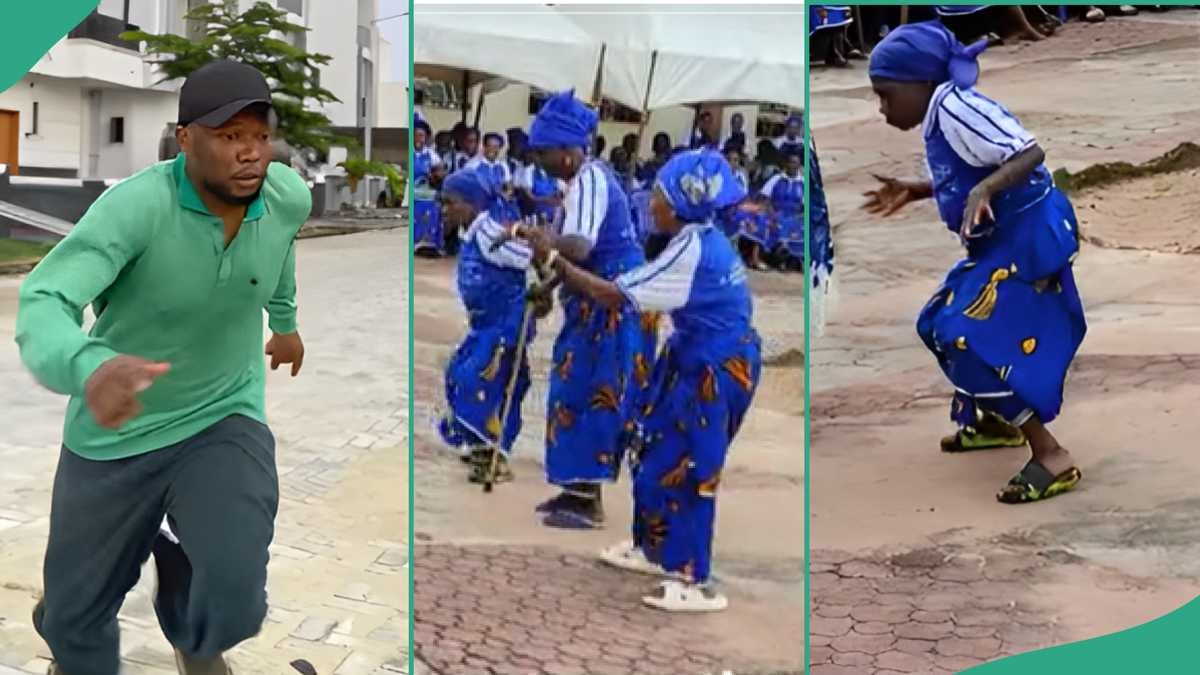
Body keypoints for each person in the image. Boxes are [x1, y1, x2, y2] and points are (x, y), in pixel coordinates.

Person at [14, 59, 310, 675]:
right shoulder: (135, 208)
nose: (251, 153)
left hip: (222, 415)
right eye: (230, 138)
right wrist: (87, 367)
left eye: (259, 135)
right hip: (117, 434)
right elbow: (45, 299)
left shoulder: (287, 196)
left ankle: (192, 625)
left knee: (231, 577)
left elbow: (277, 256)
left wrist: (284, 324)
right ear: (185, 139)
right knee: (76, 623)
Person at [515, 149, 761, 612]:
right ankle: (651, 548)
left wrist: (557, 262)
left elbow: (614, 294)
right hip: (690, 357)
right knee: (652, 451)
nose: (651, 205)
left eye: (660, 198)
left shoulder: (694, 249)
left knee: (691, 468)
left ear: (681, 206)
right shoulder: (694, 238)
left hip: (715, 368)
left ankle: (693, 579)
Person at [864, 22, 1085, 503]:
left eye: (885, 94)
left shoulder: (956, 107)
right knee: (935, 323)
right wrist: (919, 189)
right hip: (1004, 242)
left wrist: (985, 190)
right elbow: (972, 167)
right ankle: (993, 420)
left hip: (1028, 240)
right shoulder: (941, 111)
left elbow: (1028, 153)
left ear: (920, 83)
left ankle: (1051, 454)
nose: (881, 108)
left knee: (959, 334)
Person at [522, 90, 657, 528]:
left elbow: (579, 246)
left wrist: (545, 246)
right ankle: (576, 487)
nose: (539, 160)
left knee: (598, 393)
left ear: (566, 151)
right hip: (592, 302)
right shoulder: (577, 185)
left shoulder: (592, 180)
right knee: (572, 386)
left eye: (543, 152)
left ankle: (588, 498)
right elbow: (575, 254)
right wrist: (548, 282)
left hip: (612, 303)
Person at [437, 168, 550, 483]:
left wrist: (544, 288)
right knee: (462, 375)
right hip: (483, 326)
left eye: (451, 202)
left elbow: (533, 255)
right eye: (442, 203)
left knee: (480, 381)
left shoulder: (489, 233)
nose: (445, 209)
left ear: (472, 204)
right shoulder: (470, 234)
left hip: (504, 325)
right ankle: (480, 444)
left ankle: (493, 455)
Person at [807, 135, 836, 337]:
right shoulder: (808, 147)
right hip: (815, 215)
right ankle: (816, 325)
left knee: (820, 269)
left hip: (819, 216)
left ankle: (817, 325)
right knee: (817, 269)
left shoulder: (812, 142)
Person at [759, 148, 805, 271]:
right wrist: (771, 212)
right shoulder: (777, 178)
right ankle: (780, 257)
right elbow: (765, 198)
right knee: (775, 223)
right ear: (786, 164)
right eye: (790, 162)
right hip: (776, 214)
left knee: (800, 226)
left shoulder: (803, 183)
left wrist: (800, 216)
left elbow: (807, 207)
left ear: (799, 165)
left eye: (795, 163)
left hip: (796, 217)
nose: (792, 165)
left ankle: (792, 258)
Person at [413, 120, 448, 256]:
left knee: (433, 207)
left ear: (426, 138)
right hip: (411, 192)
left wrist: (435, 175)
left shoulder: (431, 155)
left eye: (421, 136)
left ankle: (428, 244)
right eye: (415, 135)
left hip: (427, 192)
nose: (418, 139)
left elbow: (441, 171)